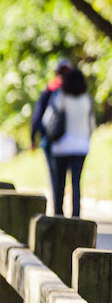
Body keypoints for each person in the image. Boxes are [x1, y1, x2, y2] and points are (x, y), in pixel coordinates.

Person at [49, 67, 94, 217]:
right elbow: (91, 125)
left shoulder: (61, 97)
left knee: (59, 184)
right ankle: (76, 215)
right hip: (81, 146)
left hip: (61, 146)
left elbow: (48, 119)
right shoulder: (86, 99)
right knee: (76, 183)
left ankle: (58, 215)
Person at [31, 58, 73, 205]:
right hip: (70, 141)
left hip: (51, 140)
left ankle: (57, 209)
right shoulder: (76, 90)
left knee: (55, 176)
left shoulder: (50, 90)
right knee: (67, 177)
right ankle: (65, 210)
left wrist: (33, 137)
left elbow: (37, 116)